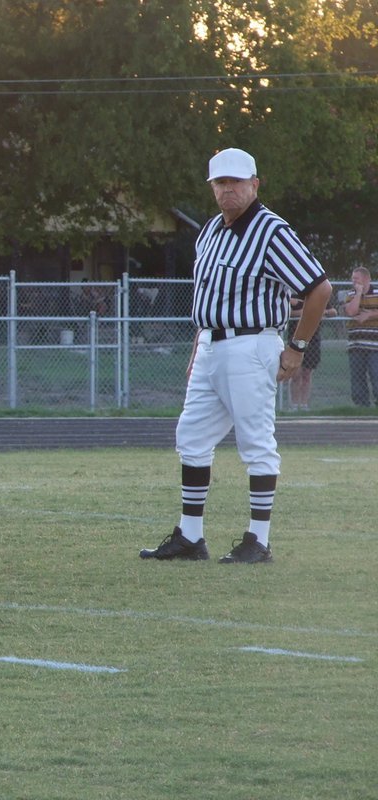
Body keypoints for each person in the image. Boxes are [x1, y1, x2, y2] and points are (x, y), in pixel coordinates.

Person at [140, 147, 330, 565]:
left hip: (251, 343)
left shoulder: (271, 231)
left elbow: (319, 288)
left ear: (254, 184)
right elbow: (208, 298)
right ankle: (191, 537)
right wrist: (198, 348)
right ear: (212, 188)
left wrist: (296, 348)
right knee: (191, 438)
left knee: (256, 442)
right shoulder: (210, 230)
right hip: (211, 344)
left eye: (236, 182)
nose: (228, 190)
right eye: (220, 183)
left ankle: (258, 541)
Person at [285, 294, 335, 411]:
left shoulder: (317, 294)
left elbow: (333, 312)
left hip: (313, 339)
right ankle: (293, 405)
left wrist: (323, 312)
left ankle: (304, 404)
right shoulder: (294, 296)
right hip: (296, 338)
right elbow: (287, 312)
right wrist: (306, 313)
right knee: (296, 374)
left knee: (307, 374)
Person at [343, 266, 378, 406]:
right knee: (357, 379)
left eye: (356, 278)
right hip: (356, 344)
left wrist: (370, 314)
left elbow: (364, 315)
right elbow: (351, 312)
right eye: (353, 279)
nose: (353, 281)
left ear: (366, 279)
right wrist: (358, 294)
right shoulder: (350, 295)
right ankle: (361, 407)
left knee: (376, 376)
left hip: (375, 345)